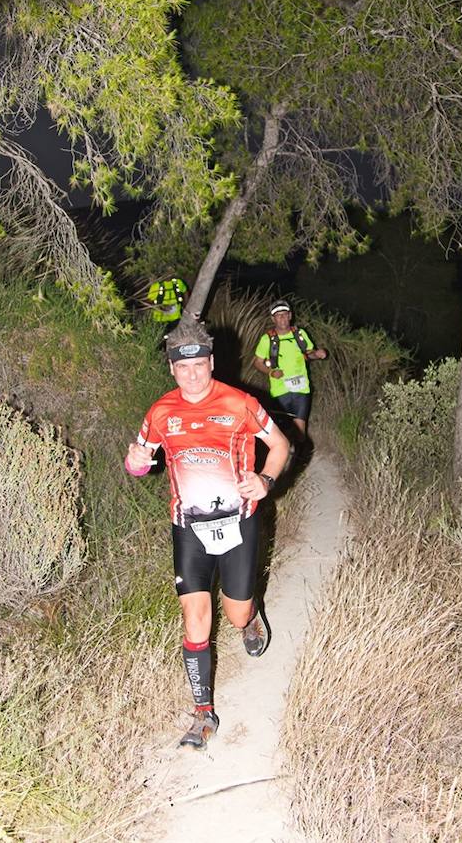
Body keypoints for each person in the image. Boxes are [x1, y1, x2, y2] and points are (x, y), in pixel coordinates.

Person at [125, 320, 289, 750]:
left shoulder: (239, 403)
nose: (193, 374)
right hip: (188, 529)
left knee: (234, 614)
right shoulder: (161, 412)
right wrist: (137, 460)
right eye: (184, 368)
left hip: (237, 522)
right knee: (195, 615)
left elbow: (281, 446)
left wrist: (266, 481)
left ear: (212, 362)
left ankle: (250, 618)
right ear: (172, 370)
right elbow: (138, 465)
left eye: (200, 365)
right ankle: (202, 713)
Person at [253, 299, 327, 446]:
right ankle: (283, 458)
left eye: (285, 314)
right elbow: (257, 362)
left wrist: (318, 355)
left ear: (290, 315)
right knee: (280, 432)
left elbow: (308, 354)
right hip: (280, 391)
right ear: (273, 319)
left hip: (302, 388)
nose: (282, 318)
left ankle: (297, 462)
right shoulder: (267, 339)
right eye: (278, 315)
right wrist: (271, 373)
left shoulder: (300, 334)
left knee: (300, 431)